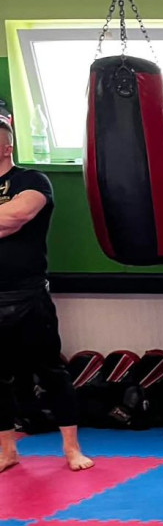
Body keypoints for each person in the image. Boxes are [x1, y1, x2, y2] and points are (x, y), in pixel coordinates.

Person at [0, 112, 92, 473]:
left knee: (51, 371)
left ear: (6, 146)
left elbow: (16, 218)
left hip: (28, 296)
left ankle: (71, 448)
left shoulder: (32, 180)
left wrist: (8, 218)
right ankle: (8, 451)